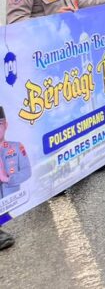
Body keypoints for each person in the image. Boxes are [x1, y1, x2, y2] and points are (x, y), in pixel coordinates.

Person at [0, 106, 31, 251]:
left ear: (5, 125)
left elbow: (26, 171)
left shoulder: (16, 147)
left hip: (14, 199)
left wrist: (7, 178)